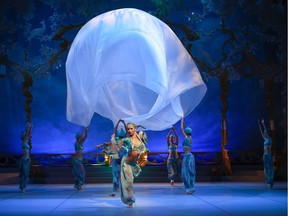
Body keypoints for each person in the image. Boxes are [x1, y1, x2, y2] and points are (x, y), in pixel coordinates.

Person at [96, 119, 128, 197]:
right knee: (117, 175)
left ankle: (119, 190)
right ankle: (116, 190)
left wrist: (119, 123)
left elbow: (116, 132)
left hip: (121, 158)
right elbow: (109, 141)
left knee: (119, 175)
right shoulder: (117, 140)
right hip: (118, 158)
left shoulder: (122, 140)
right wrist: (122, 123)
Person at [120, 122, 147, 208]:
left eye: (131, 128)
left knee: (130, 183)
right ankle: (129, 201)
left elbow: (144, 148)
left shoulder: (139, 138)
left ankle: (129, 200)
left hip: (134, 164)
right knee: (129, 183)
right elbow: (116, 144)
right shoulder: (127, 139)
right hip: (126, 163)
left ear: (135, 129)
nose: (129, 130)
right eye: (128, 129)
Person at [180, 117, 196, 194]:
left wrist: (181, 120)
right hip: (190, 156)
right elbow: (186, 128)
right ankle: (191, 187)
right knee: (190, 172)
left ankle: (189, 188)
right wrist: (183, 121)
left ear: (186, 132)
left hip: (187, 157)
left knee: (185, 172)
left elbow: (181, 128)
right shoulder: (190, 138)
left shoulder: (186, 138)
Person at [258, 118, 274, 188]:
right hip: (265, 155)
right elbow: (261, 132)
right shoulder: (265, 139)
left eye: (265, 133)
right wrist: (259, 124)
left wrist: (263, 124)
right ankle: (268, 181)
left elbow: (266, 132)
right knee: (266, 169)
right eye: (264, 133)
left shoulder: (270, 140)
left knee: (270, 168)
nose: (264, 134)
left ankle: (270, 182)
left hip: (269, 155)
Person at [19, 121, 32, 193]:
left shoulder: (26, 142)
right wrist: (28, 127)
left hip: (27, 159)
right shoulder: (24, 143)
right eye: (26, 136)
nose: (28, 137)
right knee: (24, 174)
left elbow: (29, 135)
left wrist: (30, 127)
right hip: (24, 160)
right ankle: (22, 186)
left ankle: (23, 186)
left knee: (26, 174)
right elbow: (27, 134)